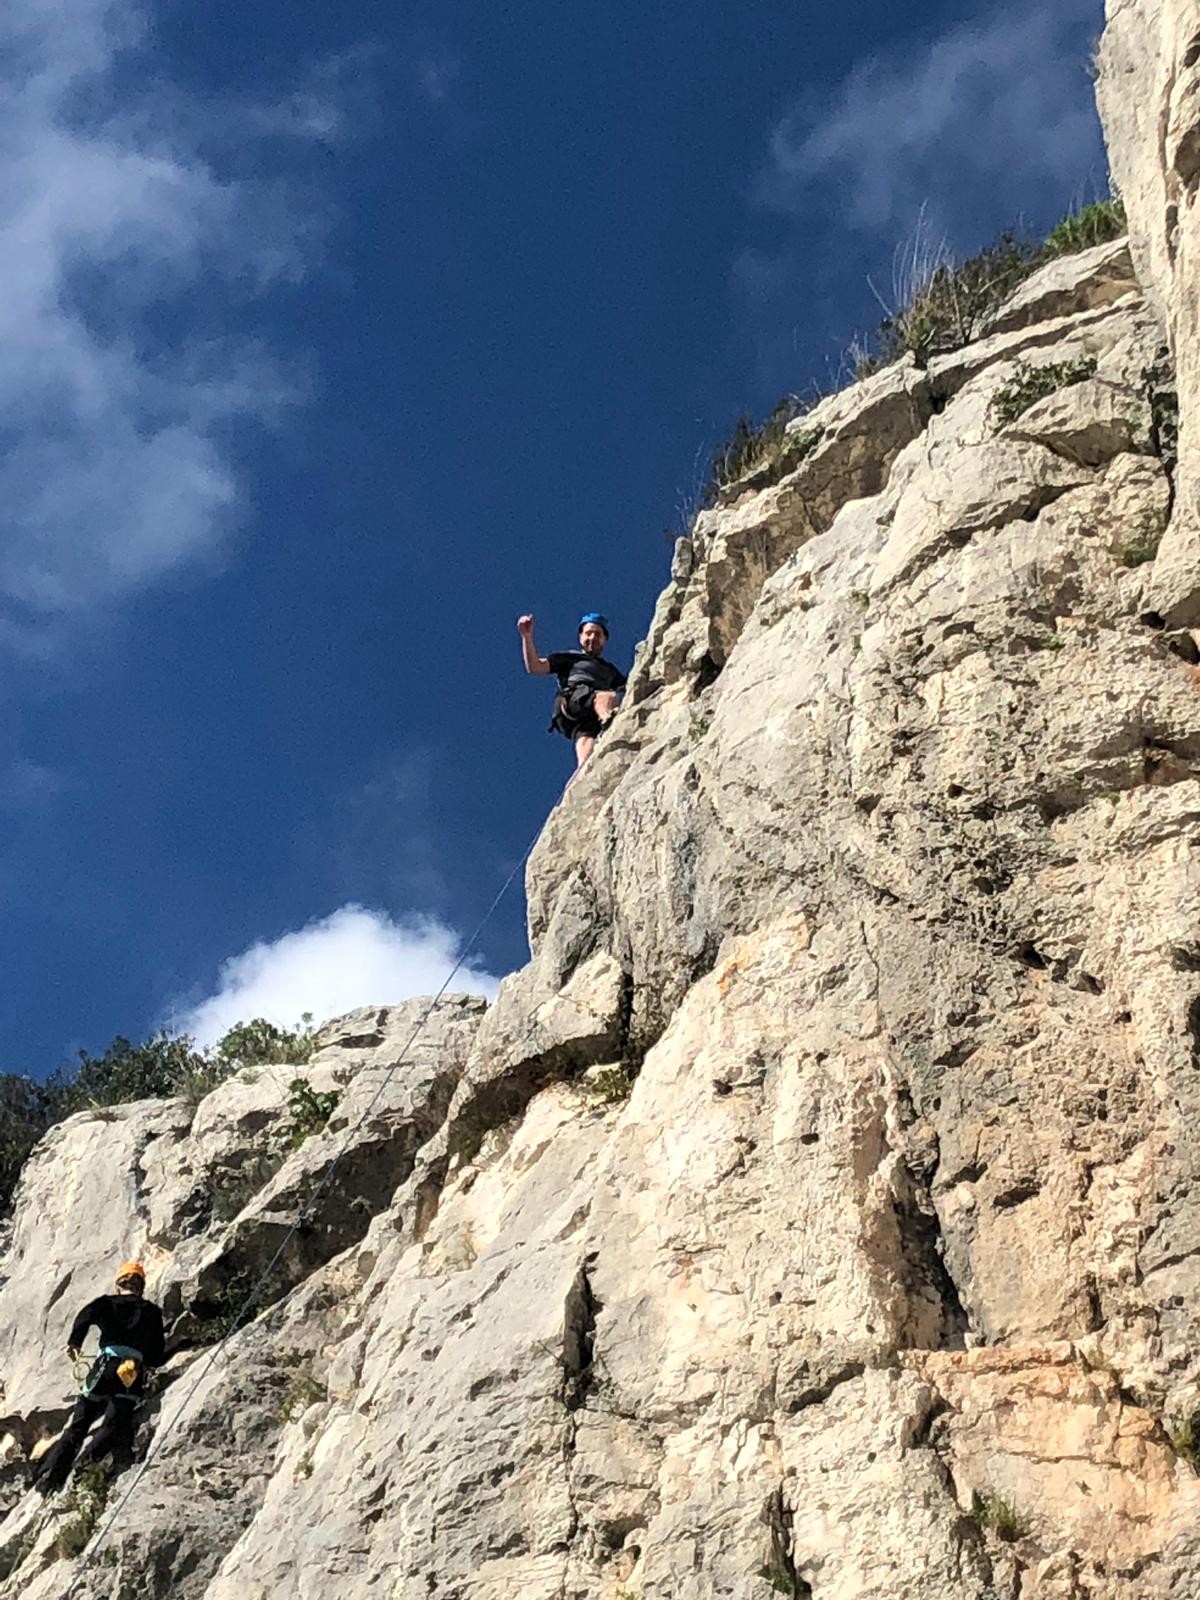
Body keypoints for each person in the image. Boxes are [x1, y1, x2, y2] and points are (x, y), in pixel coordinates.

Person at [32, 1260, 166, 1495]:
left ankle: (49, 1476)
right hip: (131, 1370)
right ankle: (85, 1467)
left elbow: (85, 1316)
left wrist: (75, 1342)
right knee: (113, 1424)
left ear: (118, 1285)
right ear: (141, 1286)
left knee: (78, 1426)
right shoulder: (152, 1312)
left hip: (104, 1367)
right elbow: (156, 1354)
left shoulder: (106, 1303)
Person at [518, 611, 627, 774]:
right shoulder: (570, 658)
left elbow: (628, 687)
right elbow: (535, 667)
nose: (592, 637)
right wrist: (527, 637)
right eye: (588, 633)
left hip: (586, 714)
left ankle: (581, 772)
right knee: (606, 696)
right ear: (580, 637)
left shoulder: (610, 670)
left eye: (597, 634)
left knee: (587, 740)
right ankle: (608, 721)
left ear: (605, 640)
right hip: (573, 699)